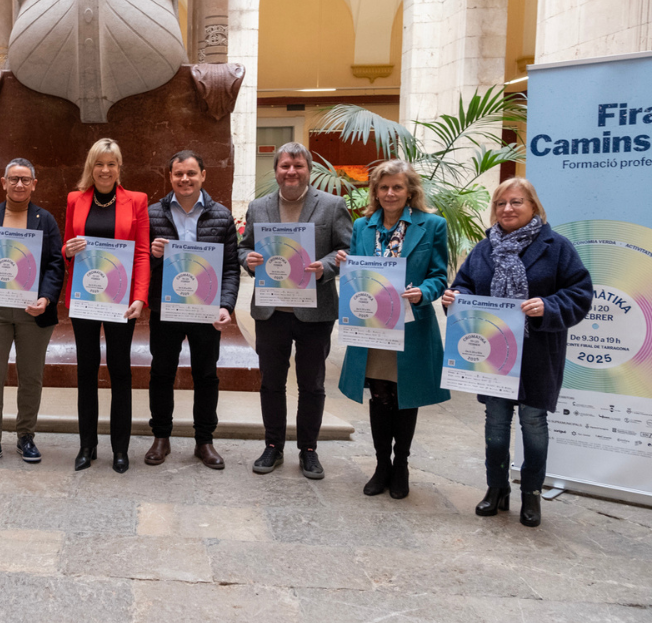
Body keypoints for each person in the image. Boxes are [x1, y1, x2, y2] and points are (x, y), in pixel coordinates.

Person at [443, 177, 591, 527]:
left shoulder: (557, 247)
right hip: (493, 357)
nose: (507, 209)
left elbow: (581, 293)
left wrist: (549, 306)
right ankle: (496, 490)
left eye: (516, 202)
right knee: (495, 426)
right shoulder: (484, 249)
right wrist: (454, 298)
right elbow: (463, 285)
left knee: (533, 425)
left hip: (537, 354)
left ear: (534, 206)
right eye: (500, 203)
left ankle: (531, 495)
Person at [335, 160, 449, 499]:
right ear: (375, 192)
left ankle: (401, 465)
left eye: (397, 187)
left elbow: (440, 276)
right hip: (372, 328)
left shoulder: (433, 226)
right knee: (380, 395)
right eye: (383, 187)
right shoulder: (362, 227)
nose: (389, 193)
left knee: (404, 396)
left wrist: (423, 293)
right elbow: (358, 275)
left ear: (410, 191)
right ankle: (381, 463)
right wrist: (347, 267)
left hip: (411, 326)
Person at [238, 142, 352, 480]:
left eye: (298, 166)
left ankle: (309, 449)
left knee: (312, 384)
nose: (291, 172)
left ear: (309, 169)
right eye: (285, 166)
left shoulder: (332, 206)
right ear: (276, 170)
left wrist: (326, 266)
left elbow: (346, 249)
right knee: (271, 382)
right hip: (271, 311)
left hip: (314, 311)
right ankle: (273, 445)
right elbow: (243, 249)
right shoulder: (258, 208)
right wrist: (249, 260)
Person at [144, 150, 240, 470]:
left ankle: (204, 441)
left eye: (191, 173)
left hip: (205, 311)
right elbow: (141, 265)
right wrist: (154, 254)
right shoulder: (151, 214)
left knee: (206, 375)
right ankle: (161, 437)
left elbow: (229, 268)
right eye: (178, 174)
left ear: (203, 175)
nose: (184, 179)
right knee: (161, 373)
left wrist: (226, 305)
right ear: (170, 177)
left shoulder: (222, 216)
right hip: (165, 309)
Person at [0, 158, 65, 467]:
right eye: (14, 179)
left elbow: (55, 264)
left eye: (25, 180)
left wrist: (47, 299)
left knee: (31, 376)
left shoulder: (45, 219)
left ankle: (26, 436)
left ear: (34, 184)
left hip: (32, 311)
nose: (19, 184)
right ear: (3, 182)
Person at [62, 138, 150, 473]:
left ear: (119, 167)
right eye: (99, 163)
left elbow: (141, 252)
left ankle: (120, 448)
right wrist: (68, 251)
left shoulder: (136, 201)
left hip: (121, 301)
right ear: (91, 166)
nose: (105, 170)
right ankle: (87, 446)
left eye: (111, 163)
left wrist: (139, 297)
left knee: (120, 372)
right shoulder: (75, 200)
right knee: (86, 371)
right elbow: (67, 248)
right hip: (85, 298)